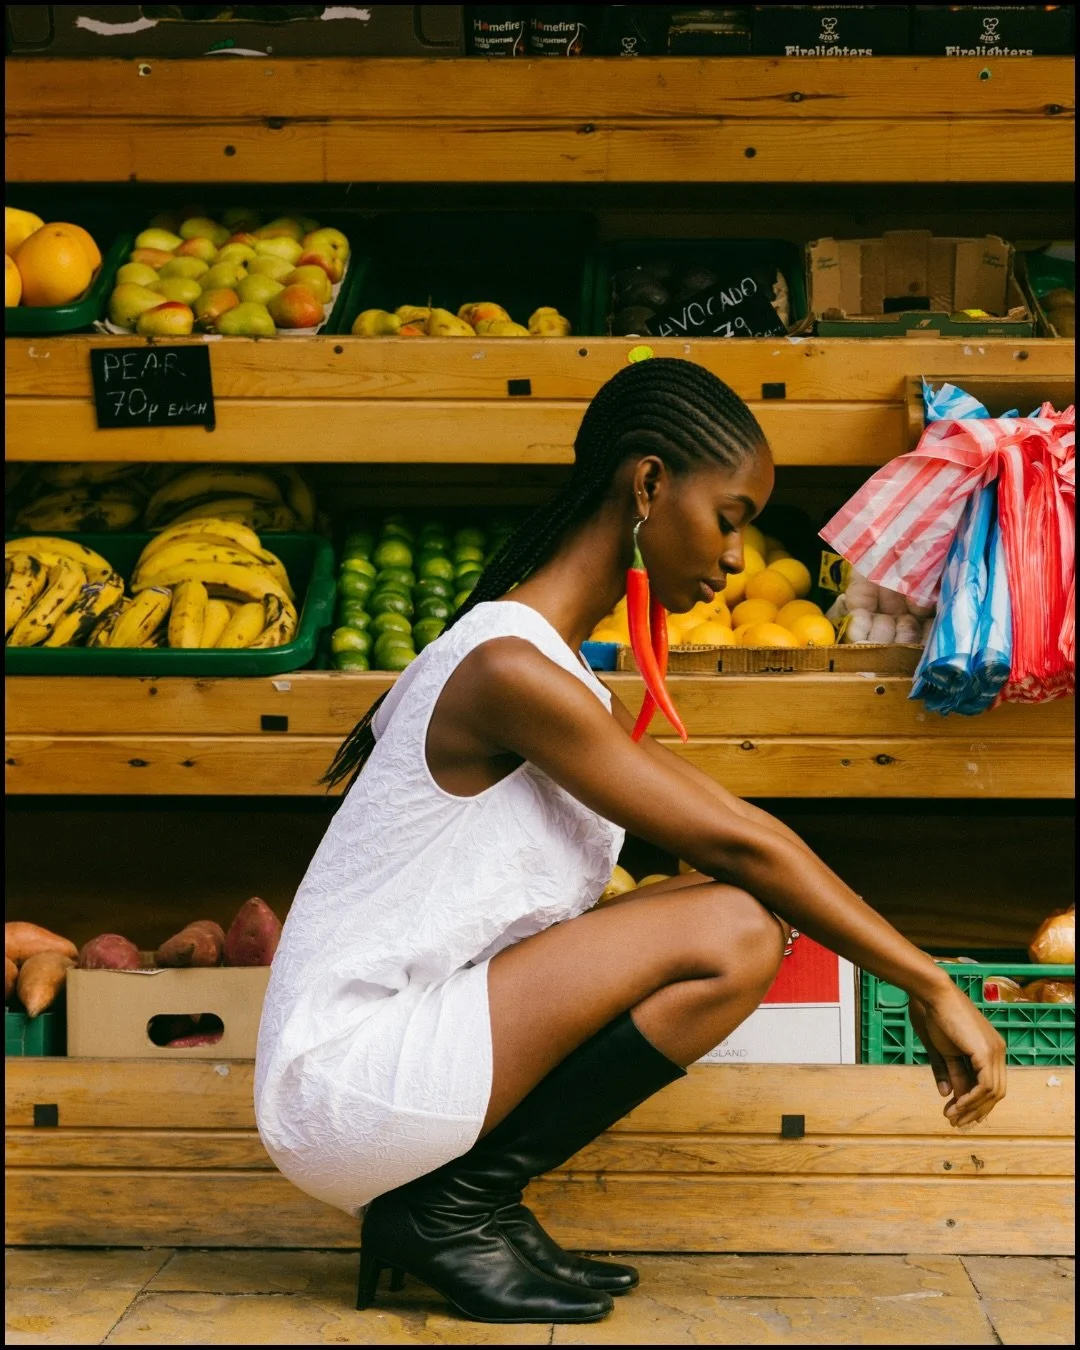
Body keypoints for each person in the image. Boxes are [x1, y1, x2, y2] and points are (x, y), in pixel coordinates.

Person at [254, 358, 1006, 1326]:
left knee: (741, 923)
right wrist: (929, 981)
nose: (739, 558)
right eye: (731, 518)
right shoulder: (509, 671)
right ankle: (449, 1205)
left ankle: (466, 1197)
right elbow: (743, 840)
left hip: (399, 1047)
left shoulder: (553, 671)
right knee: (737, 922)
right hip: (344, 1076)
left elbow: (721, 849)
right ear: (648, 485)